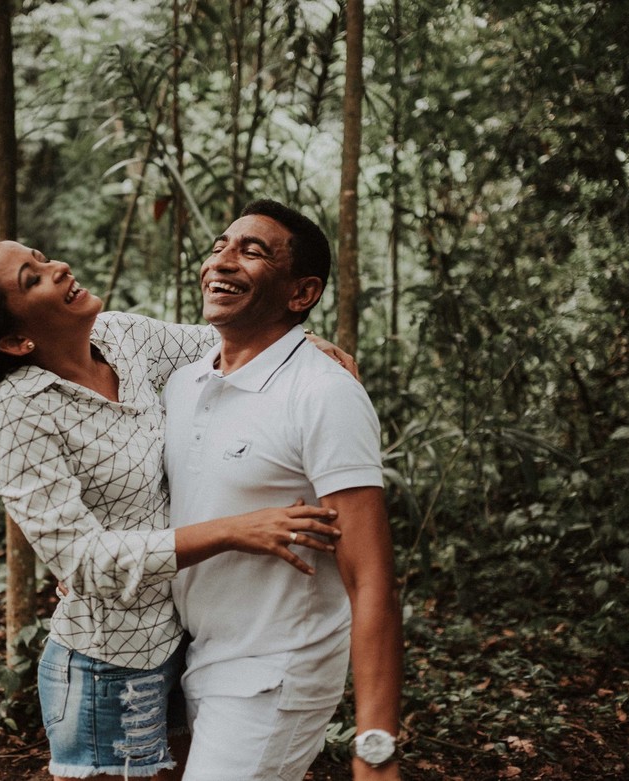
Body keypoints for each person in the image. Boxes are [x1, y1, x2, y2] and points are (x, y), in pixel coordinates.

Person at [0, 238, 353, 781]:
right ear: (17, 339)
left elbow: (228, 343)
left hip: (187, 644)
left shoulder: (123, 337)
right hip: (108, 668)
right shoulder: (21, 411)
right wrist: (235, 530)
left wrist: (311, 342)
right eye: (33, 278)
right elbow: (82, 561)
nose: (59, 268)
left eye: (43, 259)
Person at [162, 200, 403, 781]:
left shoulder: (325, 394)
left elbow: (370, 577)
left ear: (302, 294)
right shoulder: (184, 381)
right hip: (184, 659)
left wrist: (376, 746)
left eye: (252, 251)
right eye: (220, 245)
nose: (223, 260)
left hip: (274, 673)